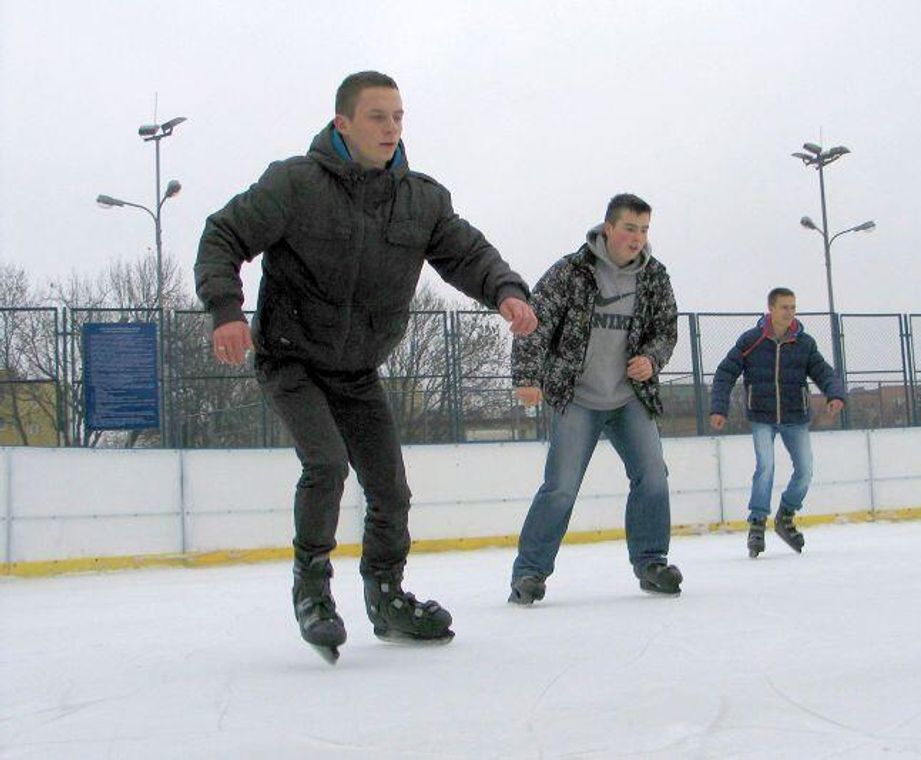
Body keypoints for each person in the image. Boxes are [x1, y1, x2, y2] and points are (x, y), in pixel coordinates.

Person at [194, 71, 537, 662]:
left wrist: (505, 290)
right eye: (377, 116)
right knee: (326, 465)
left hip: (356, 369)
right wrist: (226, 310)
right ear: (343, 123)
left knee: (390, 490)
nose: (391, 127)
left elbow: (467, 252)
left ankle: (386, 594)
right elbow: (223, 234)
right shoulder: (295, 185)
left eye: (398, 116)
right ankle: (312, 589)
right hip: (290, 356)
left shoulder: (419, 198)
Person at [508, 193, 681, 605]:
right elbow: (534, 320)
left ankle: (651, 562)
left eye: (644, 230)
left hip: (628, 398)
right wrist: (528, 376)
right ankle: (529, 572)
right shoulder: (572, 271)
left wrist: (651, 359)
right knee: (561, 487)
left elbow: (666, 329)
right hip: (577, 398)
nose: (637, 238)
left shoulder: (654, 277)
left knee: (653, 477)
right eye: (629, 228)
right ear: (608, 228)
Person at [708, 287, 845, 558]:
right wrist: (719, 409)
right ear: (771, 309)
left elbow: (824, 372)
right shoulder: (751, 340)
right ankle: (757, 522)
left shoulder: (804, 343)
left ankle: (786, 515)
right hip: (762, 415)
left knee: (805, 471)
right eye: (784, 307)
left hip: (796, 416)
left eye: (793, 307)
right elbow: (725, 374)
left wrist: (835, 393)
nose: (789, 312)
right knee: (766, 467)